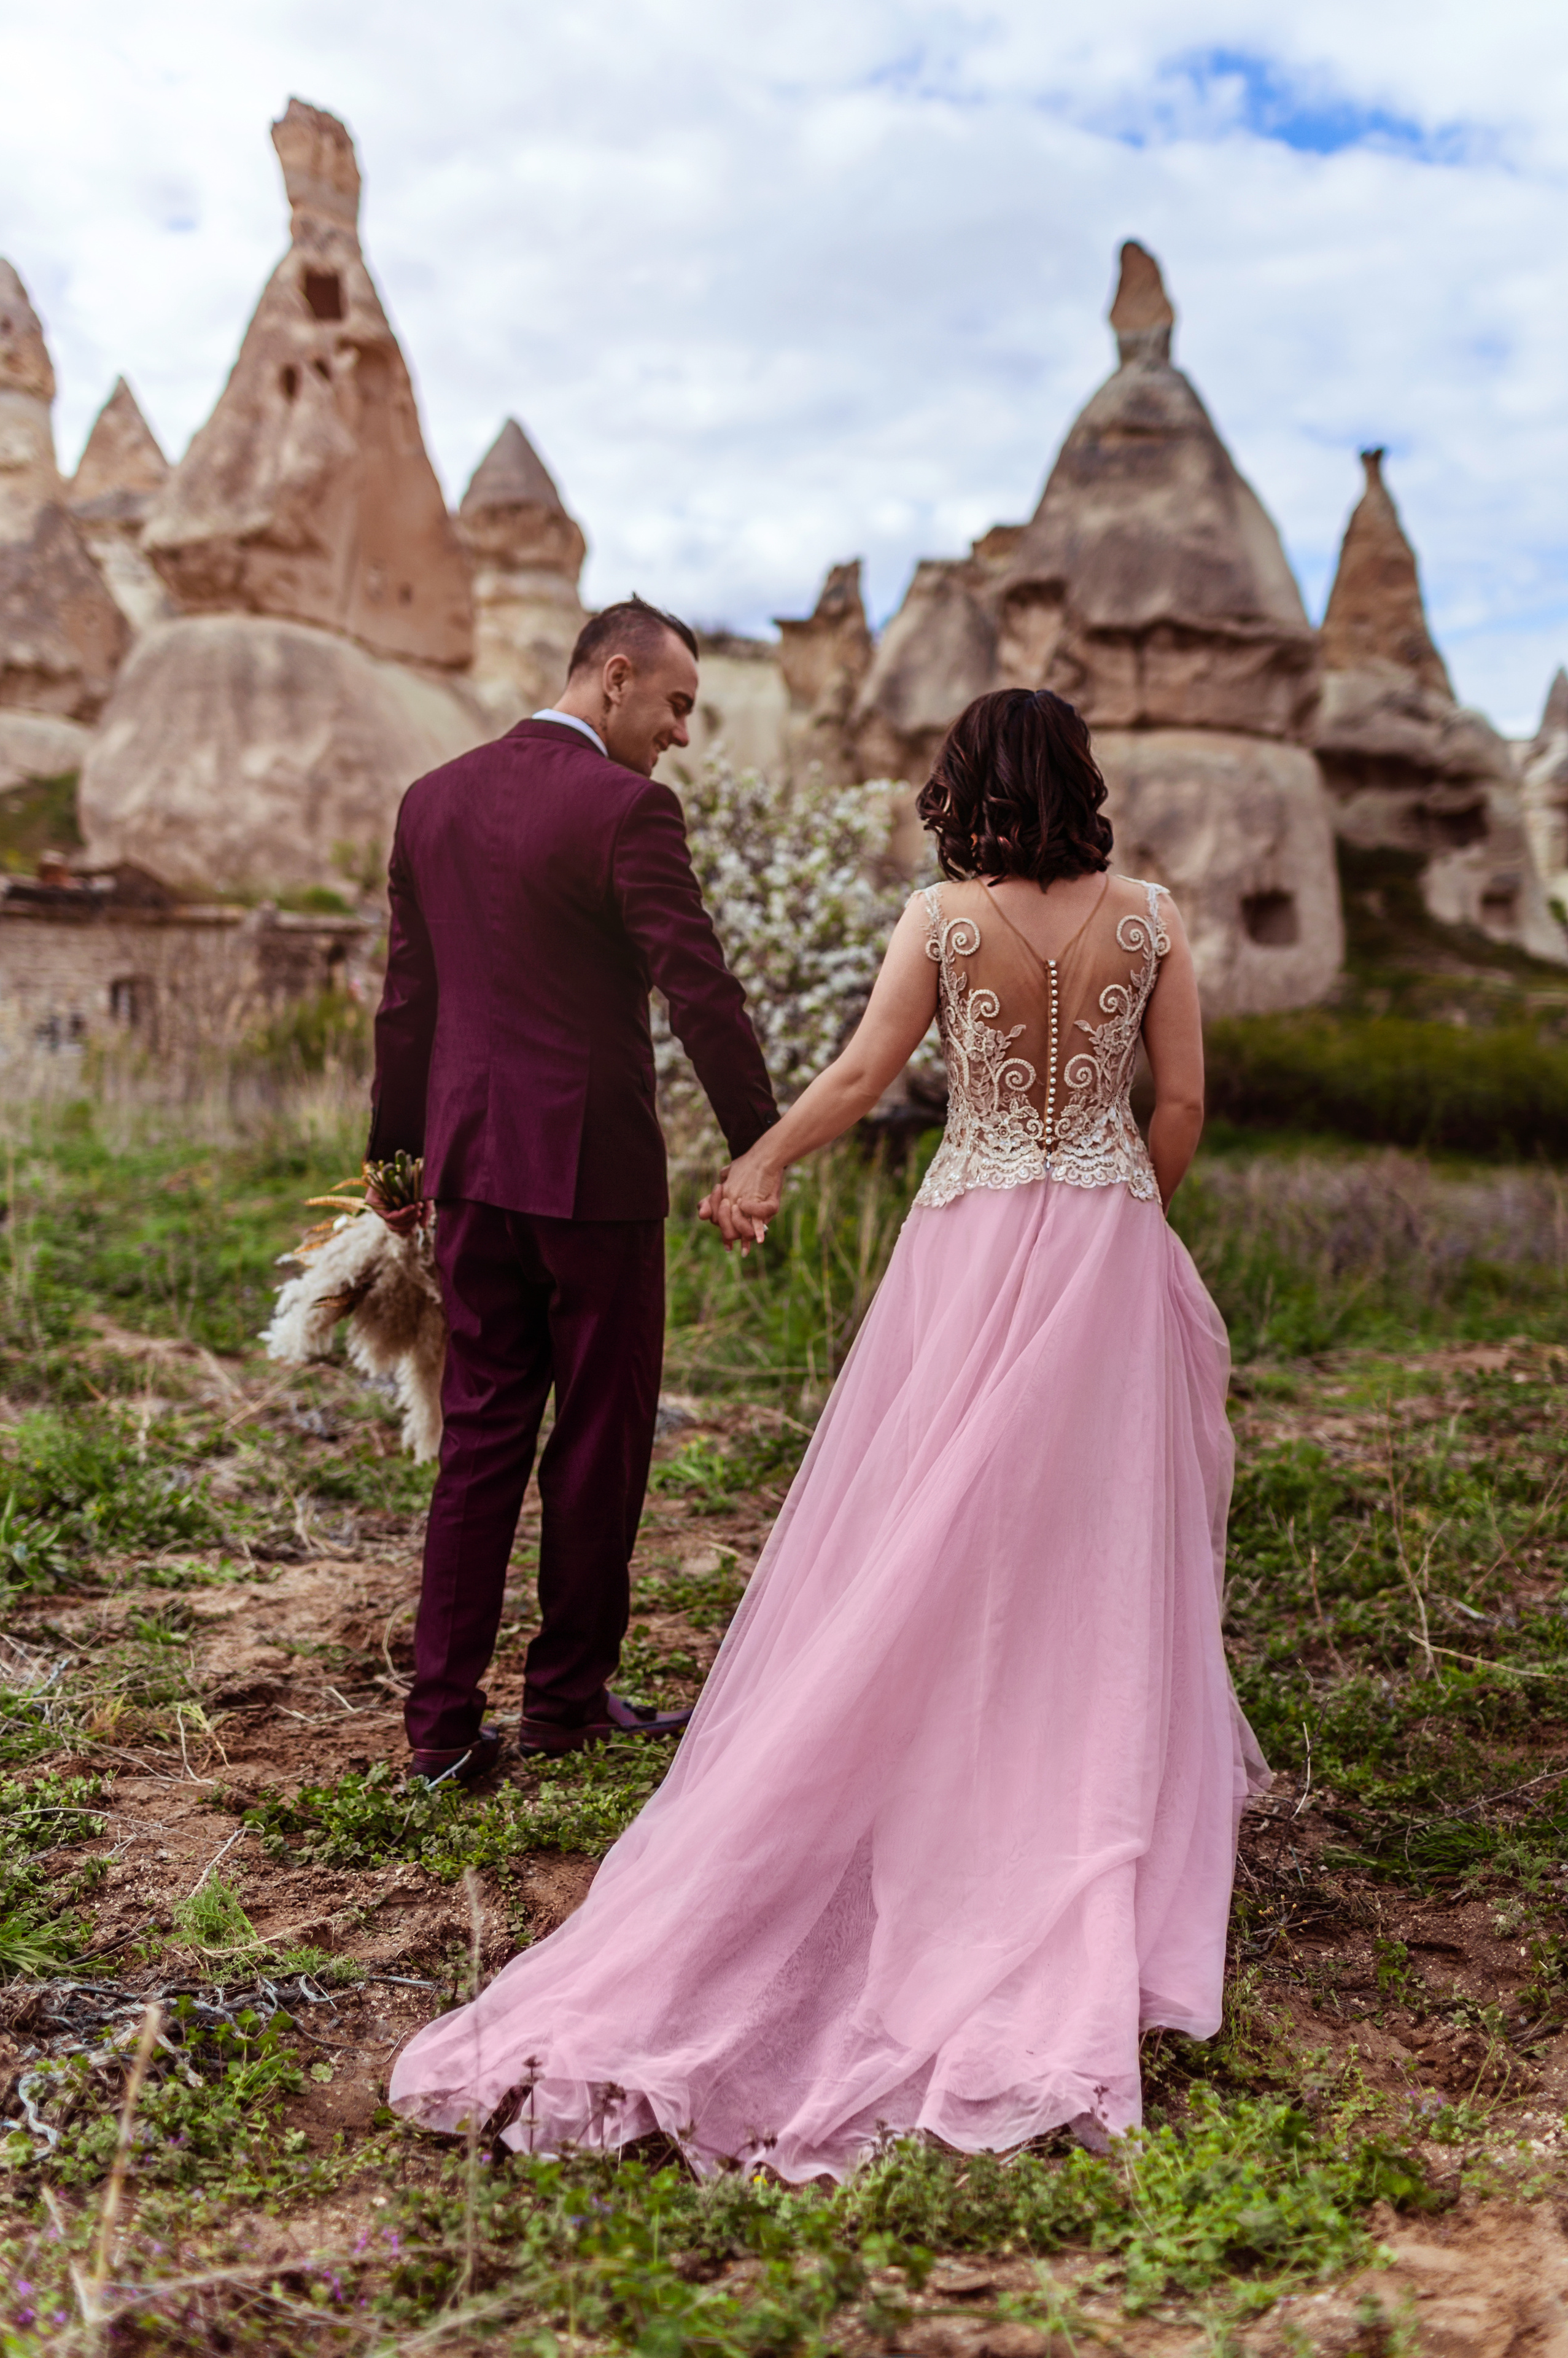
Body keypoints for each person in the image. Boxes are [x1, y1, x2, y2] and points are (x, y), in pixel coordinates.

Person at [389, 686, 1268, 2173]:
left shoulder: (939, 920)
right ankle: (1075, 1785)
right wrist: (1124, 1218)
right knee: (1095, 1525)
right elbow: (1174, 1104)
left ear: (963, 785)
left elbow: (864, 1081)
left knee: (933, 1516)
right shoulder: (1153, 920)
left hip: (969, 1235)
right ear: (1079, 779)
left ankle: (938, 1760)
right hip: (1103, 1236)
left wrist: (762, 1165)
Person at [368, 596, 779, 1784]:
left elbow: (408, 1002)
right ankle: (564, 1701)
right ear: (612, 677)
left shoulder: (429, 799)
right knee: (598, 1439)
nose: (681, 734)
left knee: (482, 1439)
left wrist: (396, 1165)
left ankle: (440, 1731)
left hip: (468, 1174)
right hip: (589, 1173)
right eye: (676, 704)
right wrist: (756, 1141)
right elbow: (696, 990)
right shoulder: (626, 809)